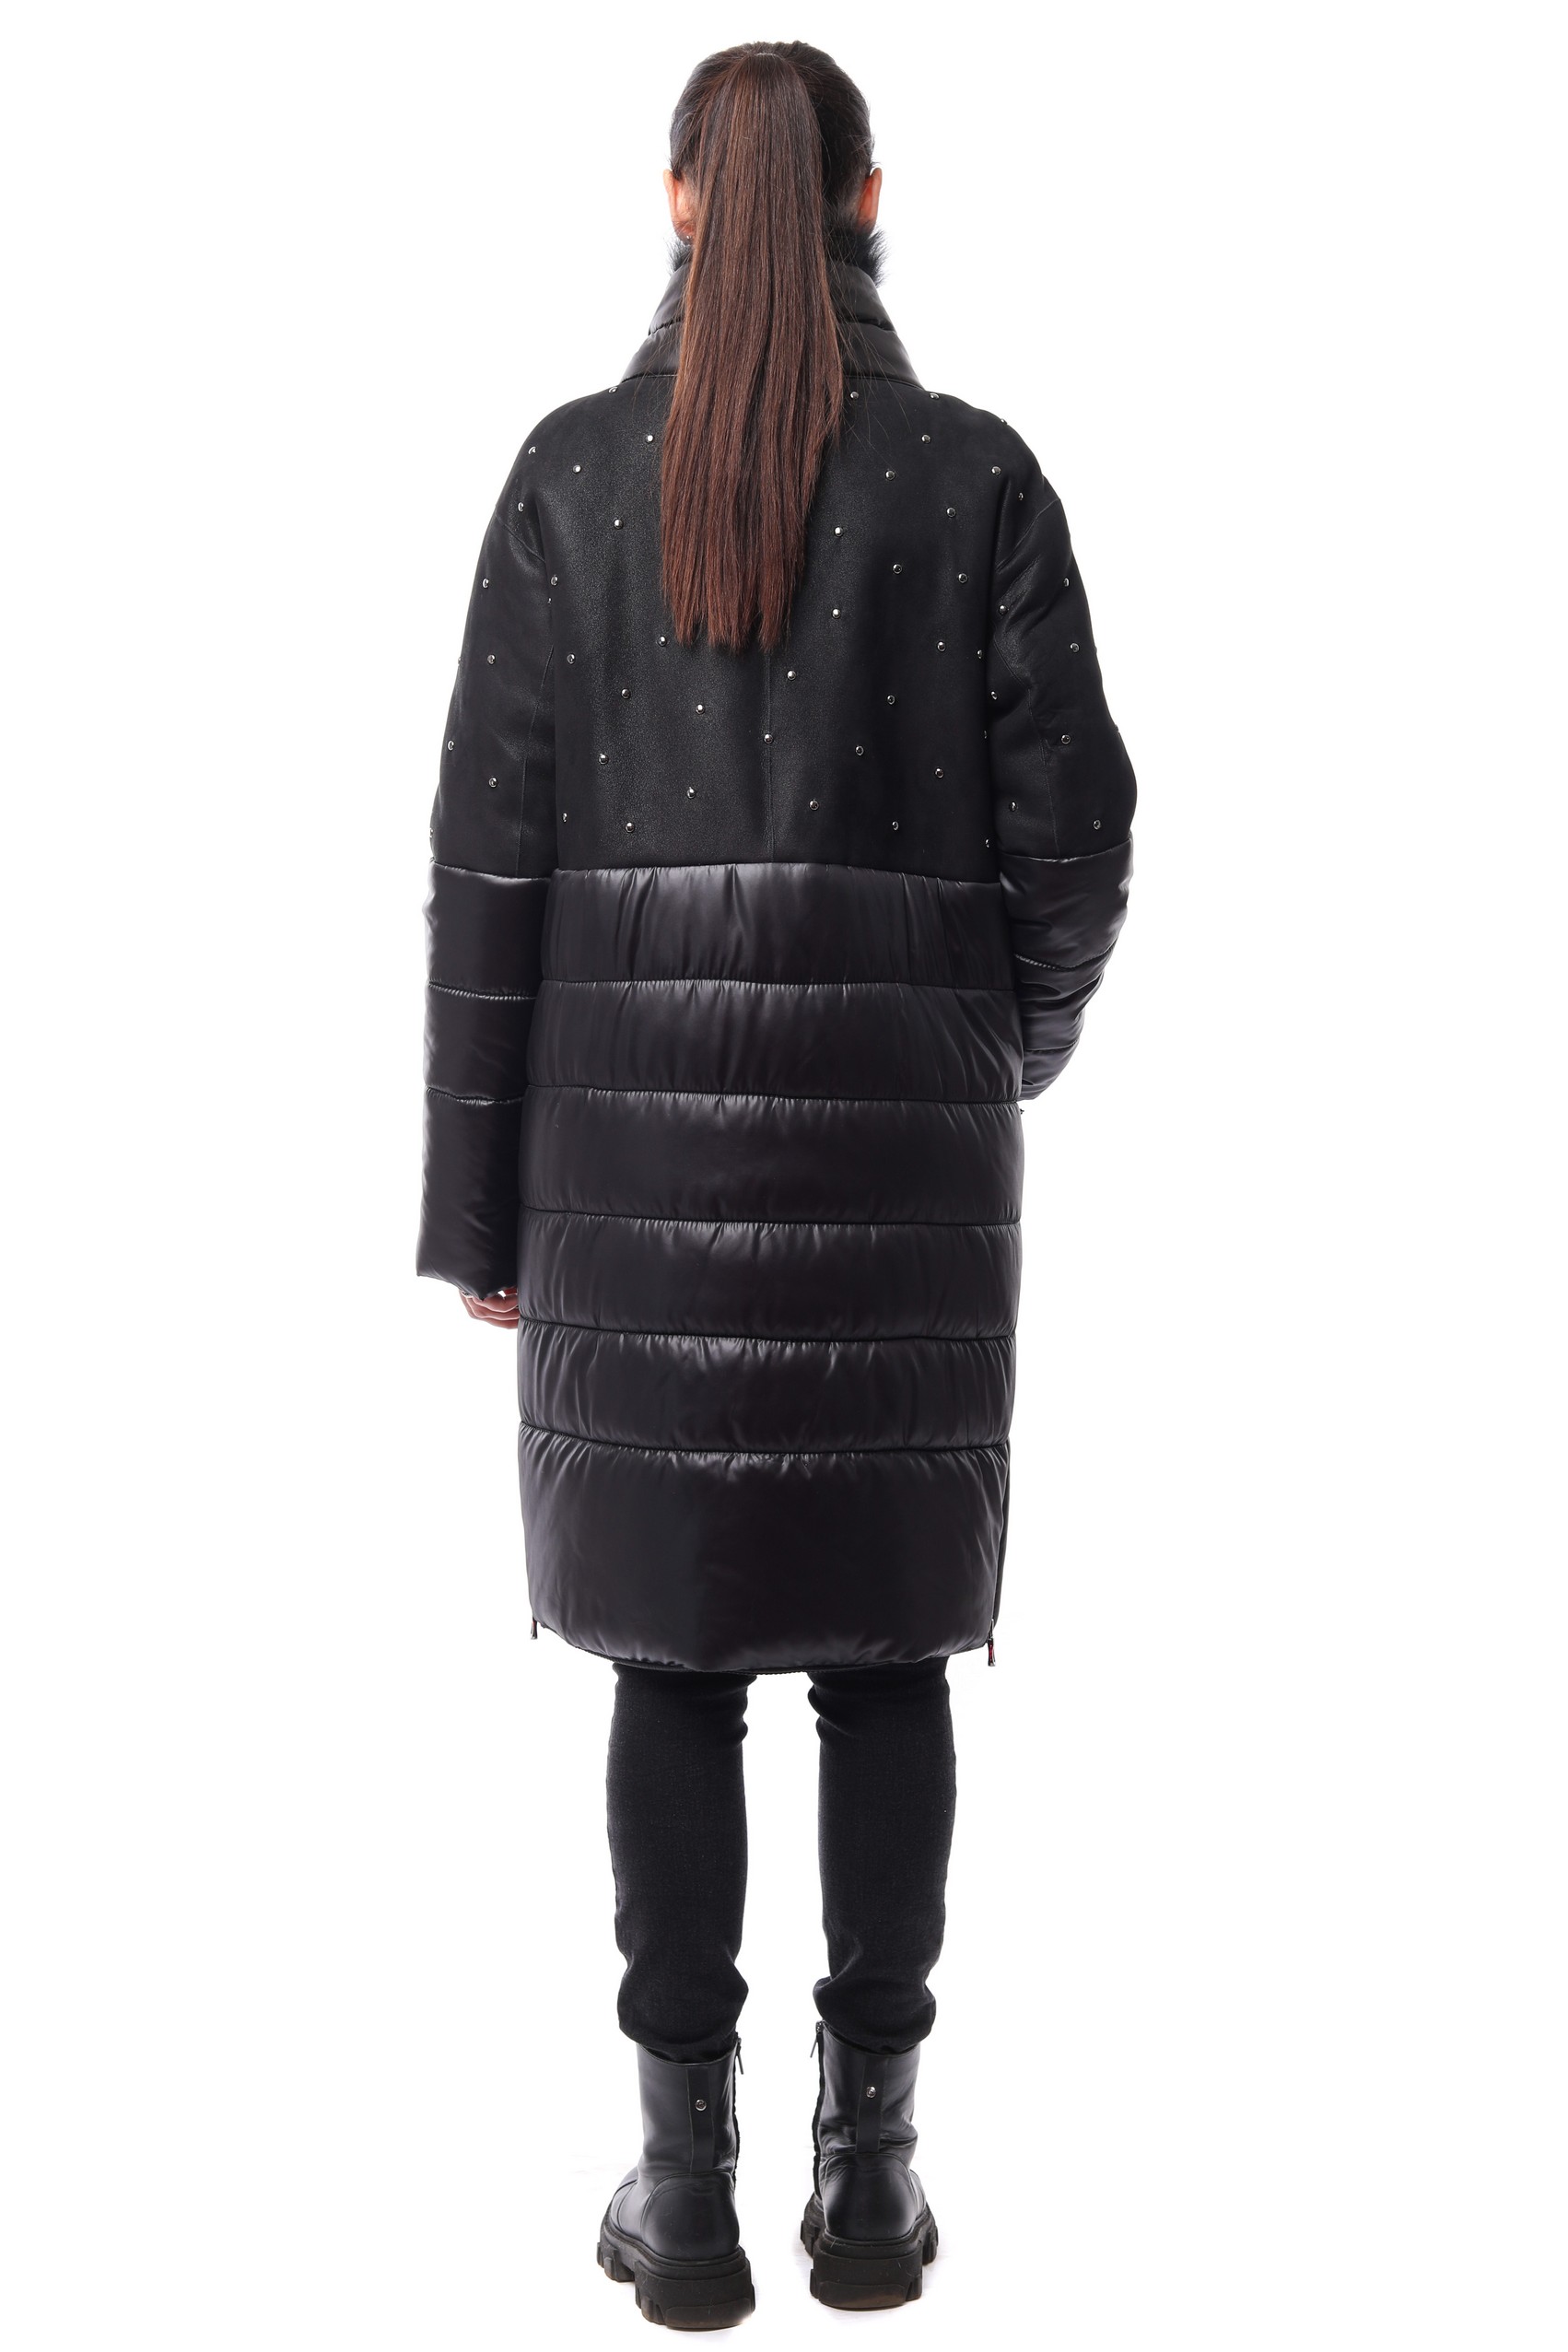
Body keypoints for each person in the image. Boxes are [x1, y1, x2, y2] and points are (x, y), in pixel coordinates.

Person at [416, 39, 1134, 2326]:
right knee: (888, 1657)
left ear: (676, 205)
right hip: (907, 1166)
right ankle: (874, 2185)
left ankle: (681, 2189)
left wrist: (477, 1213)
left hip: (615, 1179)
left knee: (672, 1657)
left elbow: (484, 876)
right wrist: (989, 1052)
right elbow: (1080, 845)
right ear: (865, 197)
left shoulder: (566, 476)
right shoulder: (971, 476)